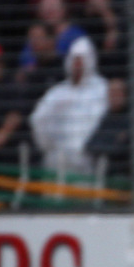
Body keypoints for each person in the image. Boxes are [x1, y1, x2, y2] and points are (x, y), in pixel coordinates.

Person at [29, 37, 108, 175]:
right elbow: (38, 119)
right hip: (57, 160)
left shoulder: (101, 89)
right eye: (75, 59)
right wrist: (49, 147)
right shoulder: (58, 92)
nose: (78, 64)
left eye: (81, 59)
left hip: (85, 162)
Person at [85, 78, 131, 178]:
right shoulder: (107, 117)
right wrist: (113, 141)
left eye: (117, 93)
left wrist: (107, 144)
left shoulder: (131, 119)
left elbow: (122, 150)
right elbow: (90, 145)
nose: (113, 96)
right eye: (111, 93)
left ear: (124, 95)